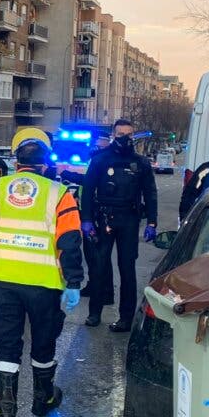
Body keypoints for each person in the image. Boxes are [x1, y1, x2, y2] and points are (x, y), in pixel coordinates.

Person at [0, 128, 84, 417]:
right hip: (43, 281)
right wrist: (73, 281)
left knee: (7, 342)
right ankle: (42, 399)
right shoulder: (60, 194)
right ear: (45, 165)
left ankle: (5, 412)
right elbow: (70, 242)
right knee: (43, 341)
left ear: (17, 164)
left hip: (1, 278)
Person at [79, 118, 158, 332]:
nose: (125, 138)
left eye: (129, 134)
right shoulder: (100, 160)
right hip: (104, 218)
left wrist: (152, 221)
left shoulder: (140, 162)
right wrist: (86, 219)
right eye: (121, 134)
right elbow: (87, 191)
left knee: (127, 269)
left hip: (129, 220)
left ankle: (125, 318)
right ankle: (94, 313)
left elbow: (150, 193)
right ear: (114, 135)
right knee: (99, 266)